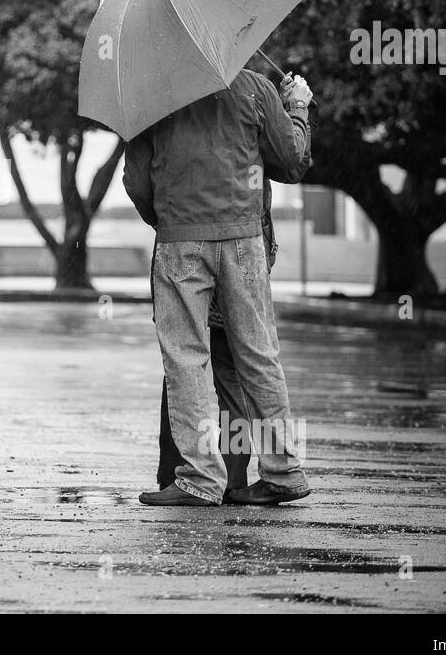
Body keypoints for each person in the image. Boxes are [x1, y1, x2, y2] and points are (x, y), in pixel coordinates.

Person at [123, 67, 313, 506]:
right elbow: (291, 160)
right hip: (244, 239)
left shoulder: (150, 95)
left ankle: (200, 479)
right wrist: (299, 106)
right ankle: (283, 471)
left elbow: (136, 181)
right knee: (258, 356)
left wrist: (168, 218)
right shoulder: (256, 87)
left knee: (185, 359)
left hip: (180, 242)